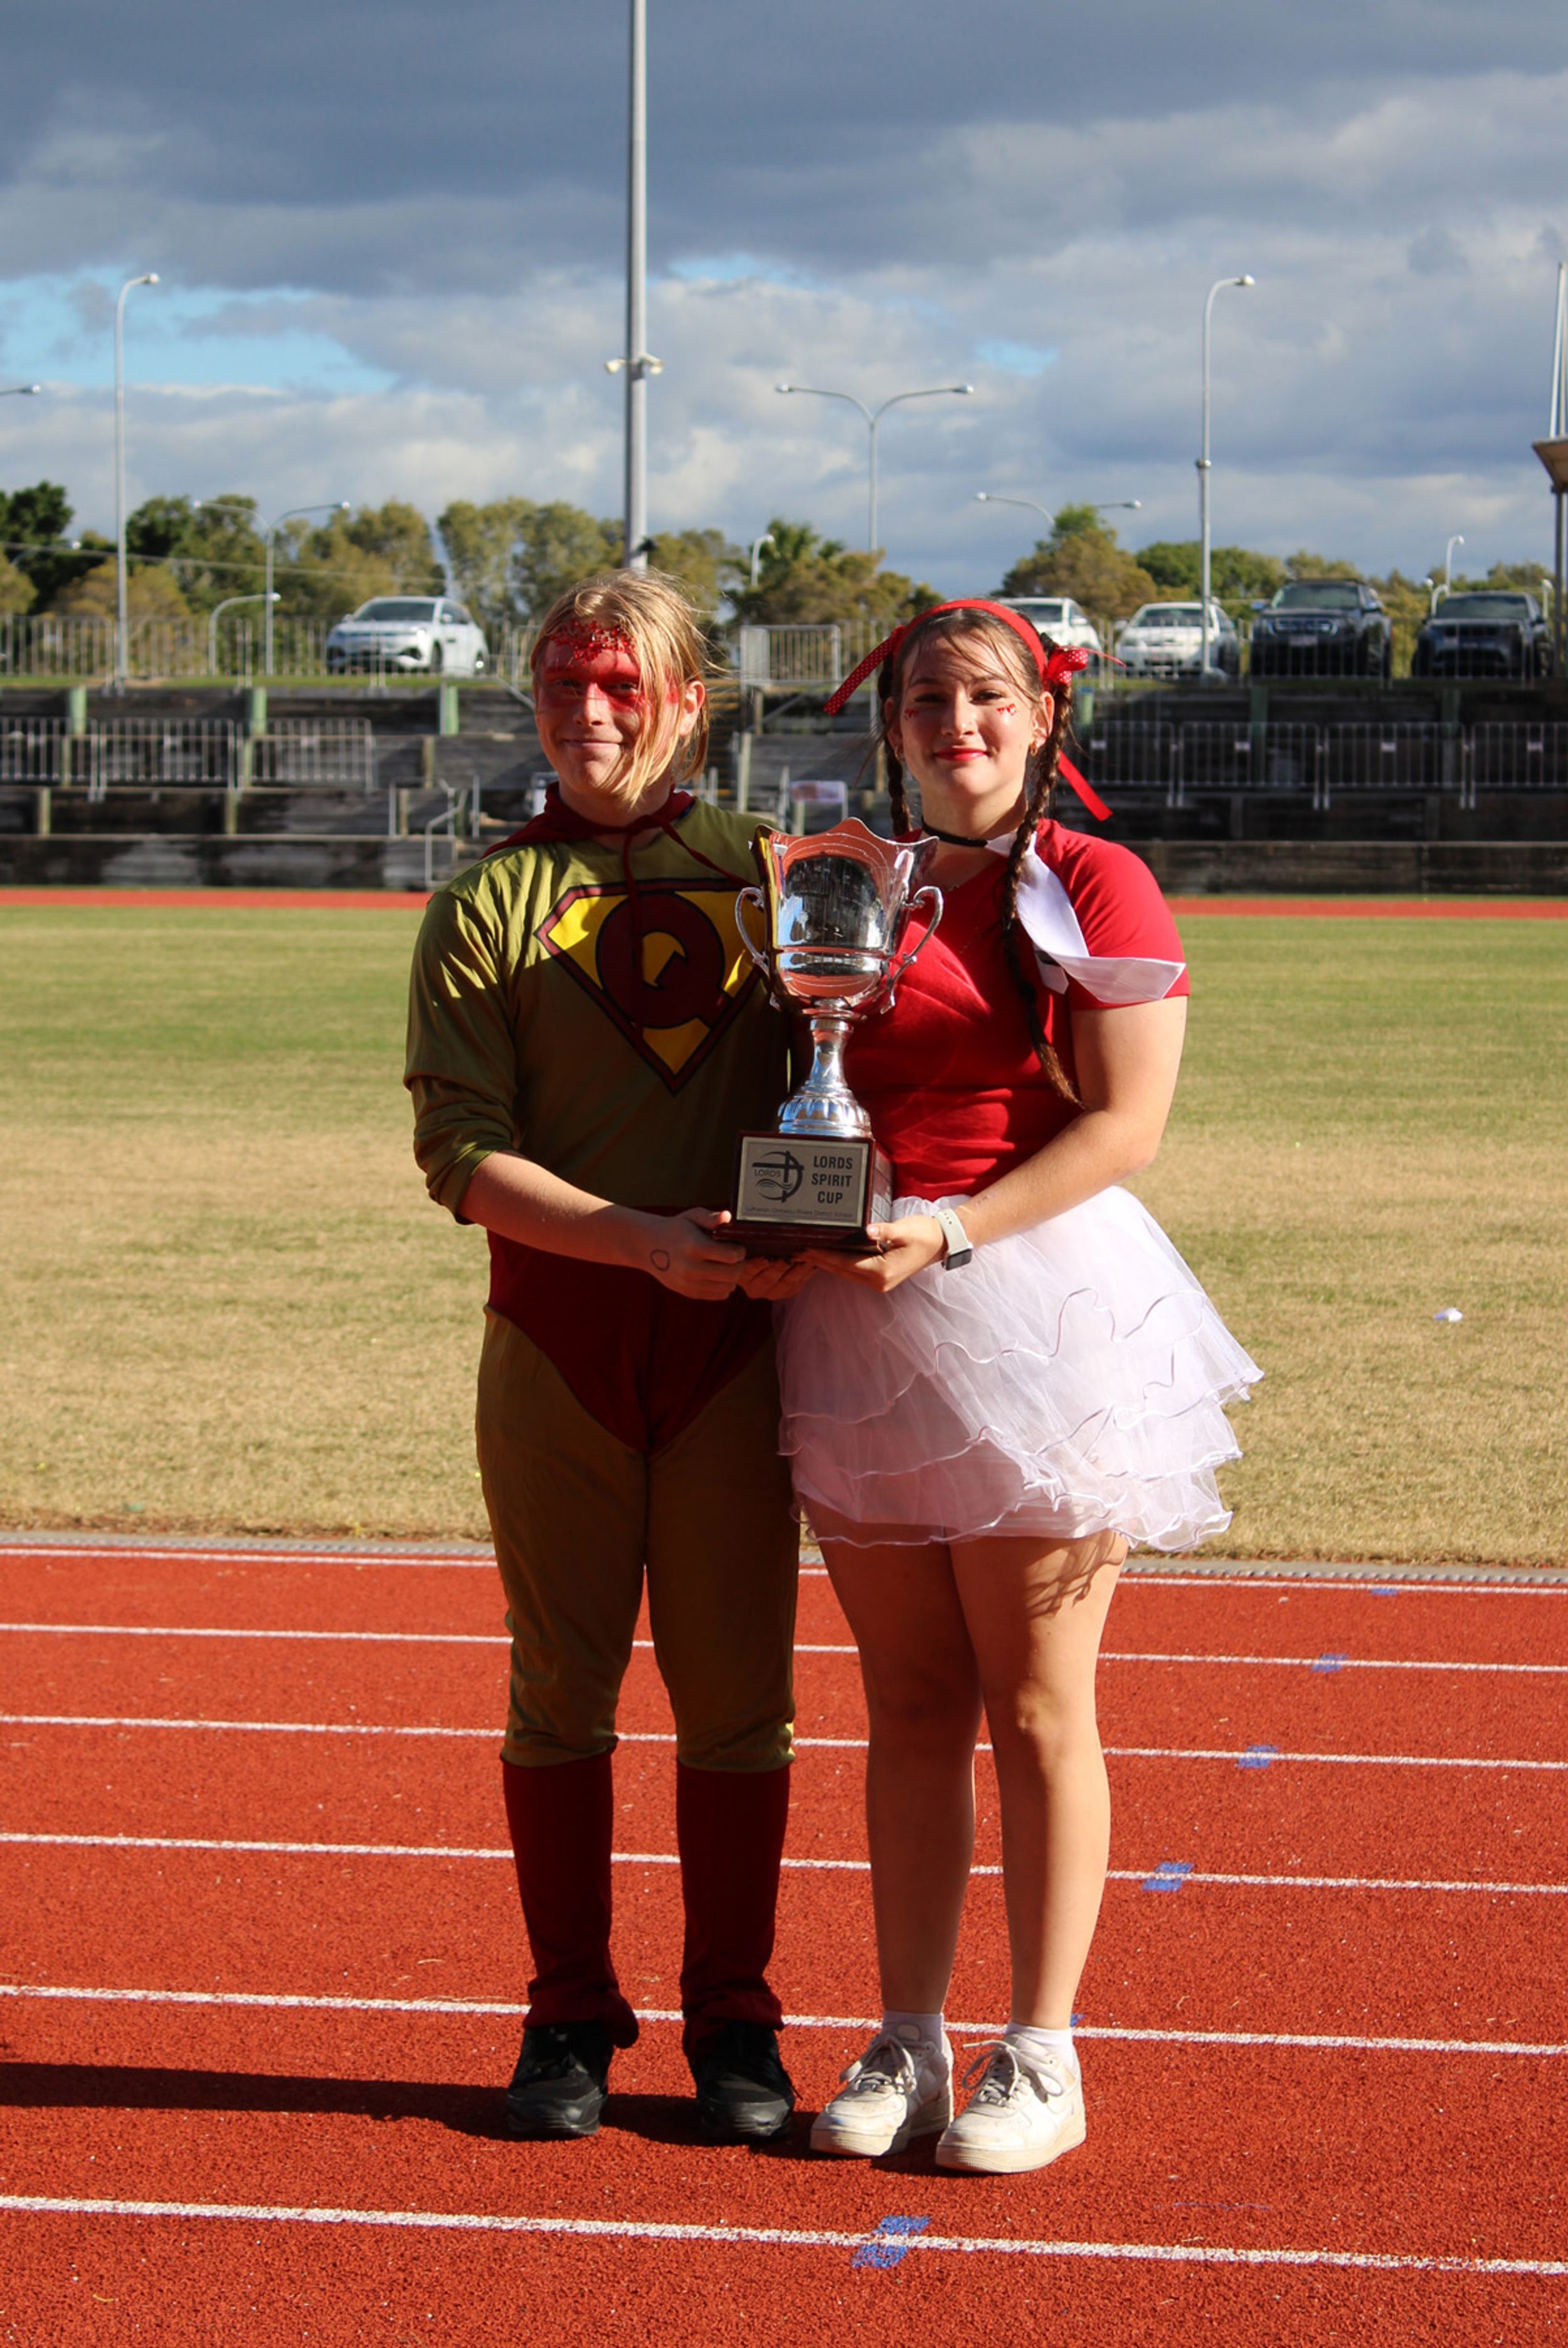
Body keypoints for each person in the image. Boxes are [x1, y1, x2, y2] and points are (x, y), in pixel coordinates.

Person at [778, 600, 1259, 2176]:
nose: (955, 725)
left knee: (1039, 1700)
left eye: (985, 697)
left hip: (1031, 1302)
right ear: (892, 724)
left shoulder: (1092, 878)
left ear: (1042, 717)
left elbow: (1126, 1125)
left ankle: (1040, 2051)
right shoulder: (847, 874)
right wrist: (793, 1219)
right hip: (860, 1317)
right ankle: (905, 2035)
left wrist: (952, 1228)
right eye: (926, 699)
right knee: (909, 1703)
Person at [405, 570, 802, 2144]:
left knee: (740, 1707)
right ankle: (567, 2011)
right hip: (554, 1344)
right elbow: (457, 1155)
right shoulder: (483, 903)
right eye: (564, 684)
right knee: (558, 1696)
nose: (588, 711)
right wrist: (637, 1240)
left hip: (737, 1356)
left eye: (622, 684)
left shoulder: (781, 881)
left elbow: (858, 1091)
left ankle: (735, 2023)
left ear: (687, 701)